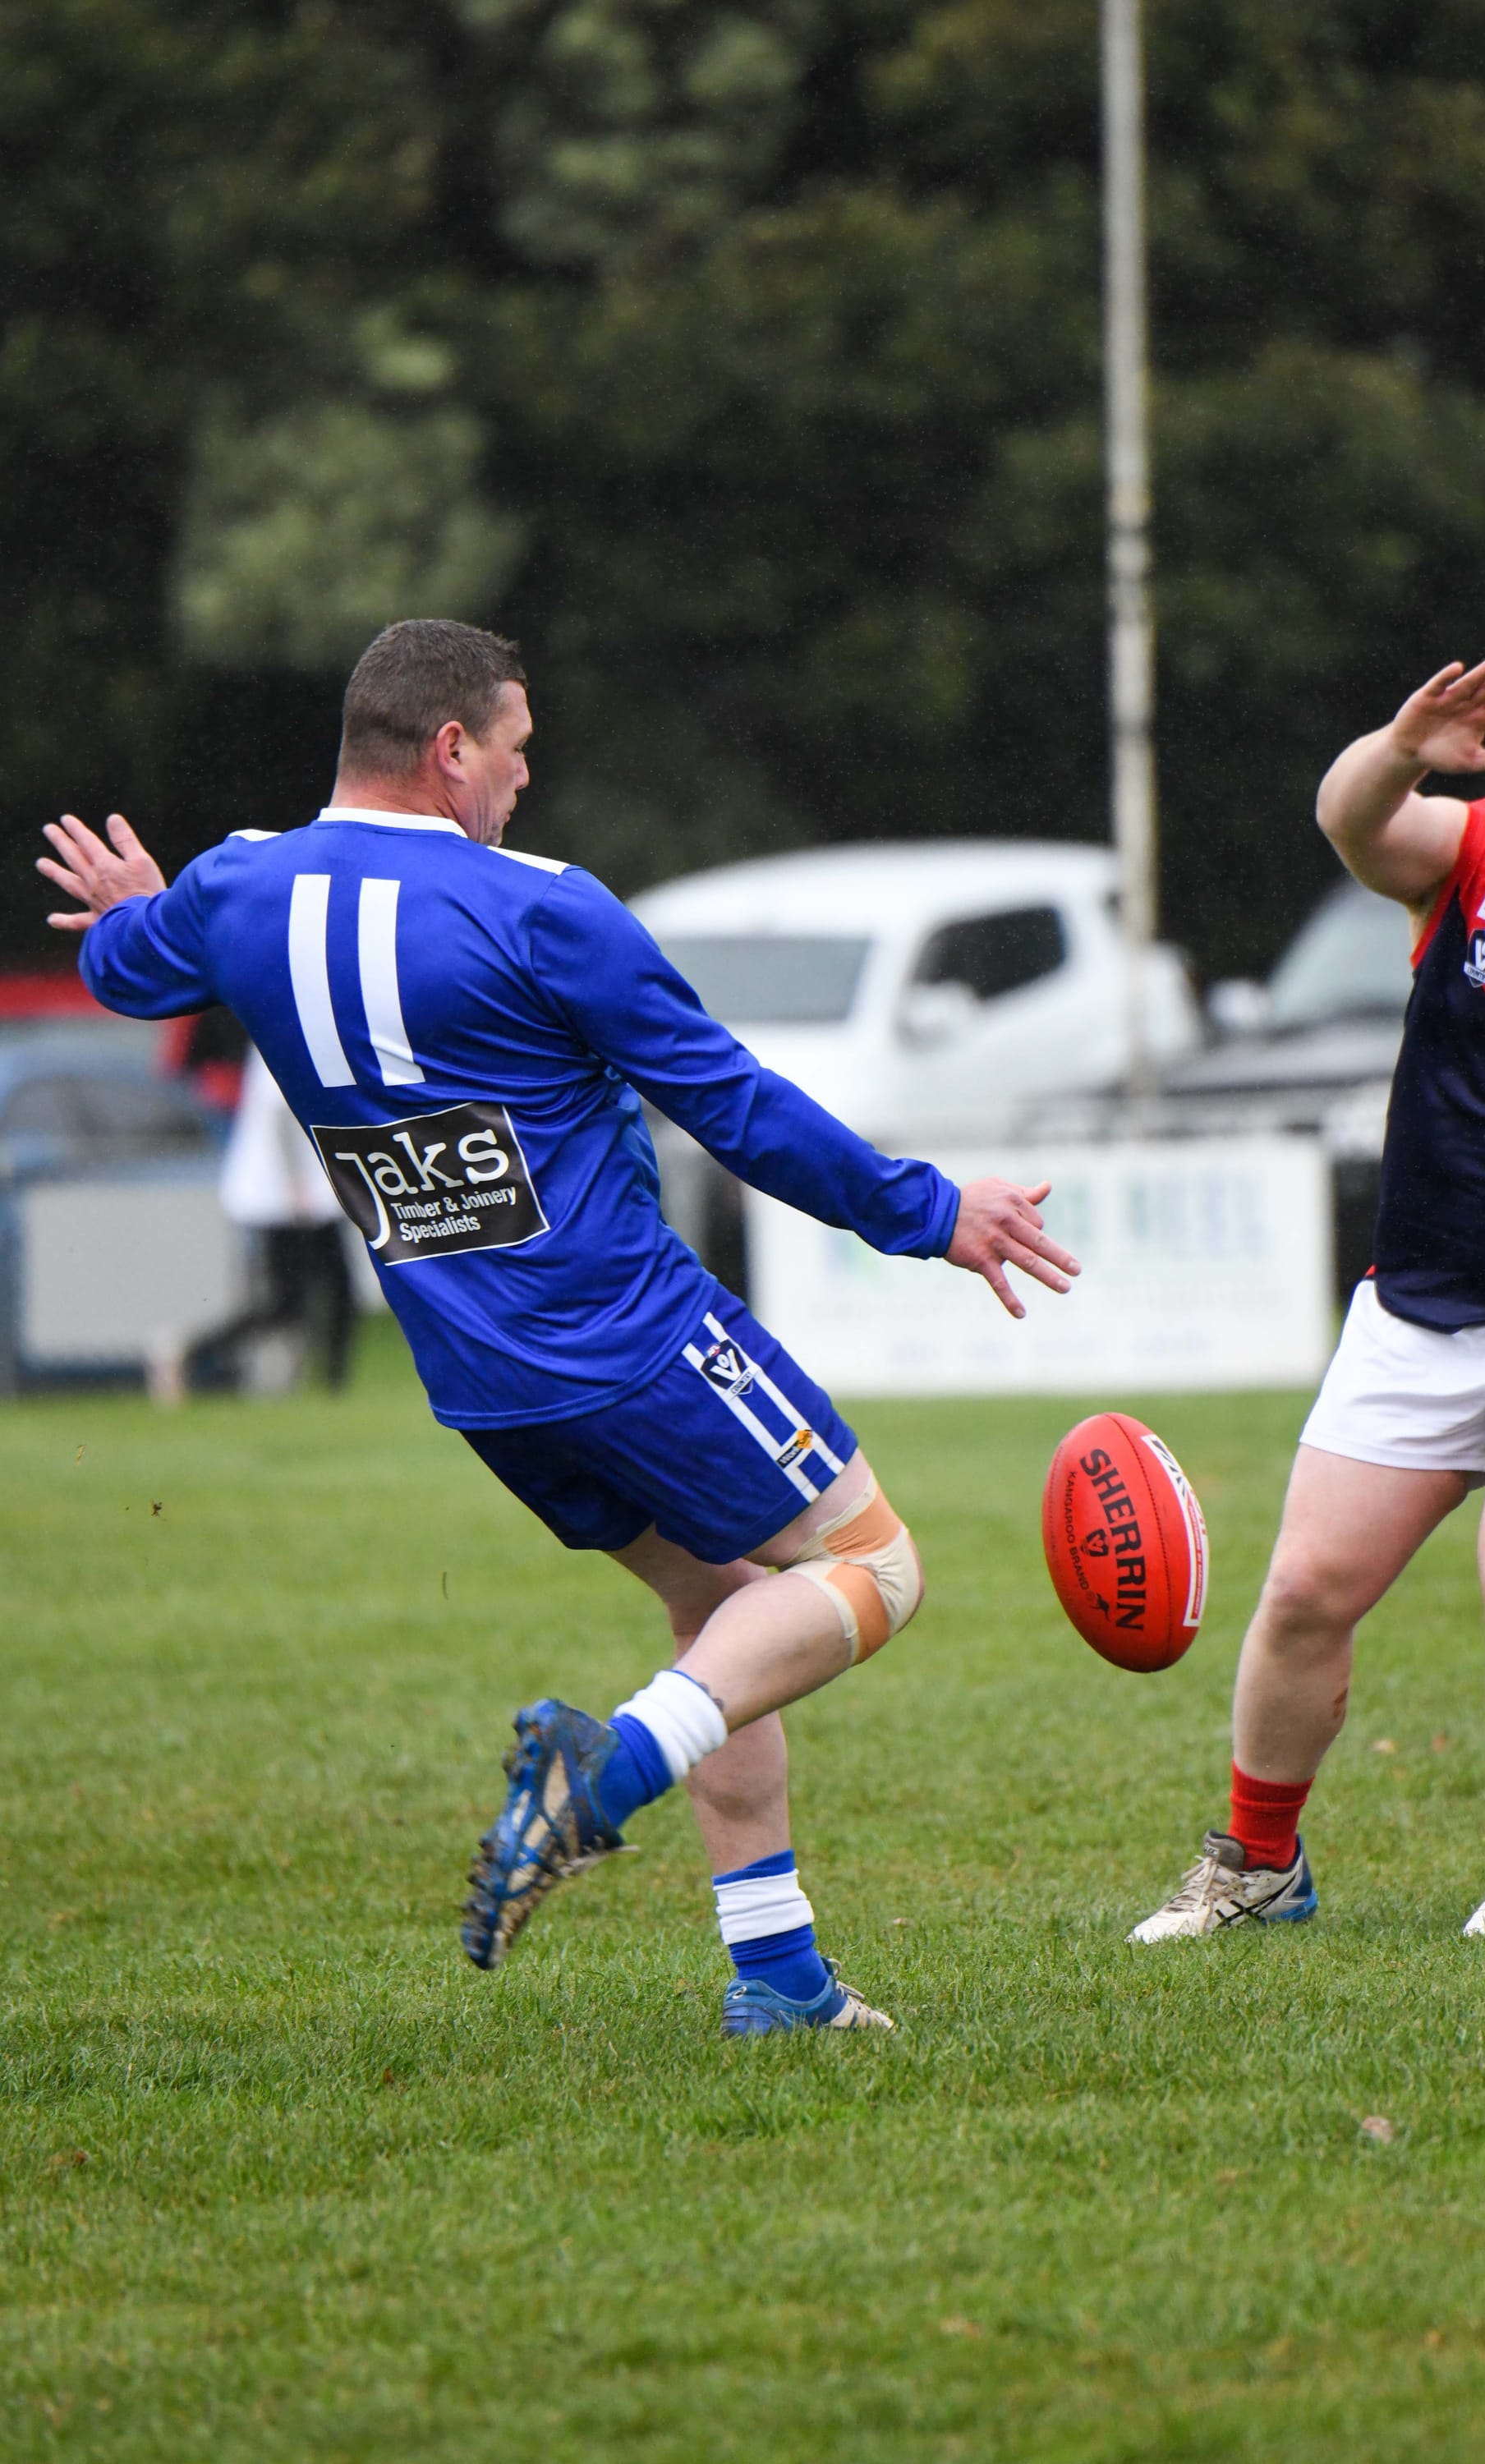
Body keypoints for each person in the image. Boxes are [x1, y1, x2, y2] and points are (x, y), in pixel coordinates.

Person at [40, 618, 1078, 2033]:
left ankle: (777, 1983)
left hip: (480, 1382)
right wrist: (929, 1212)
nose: (525, 780)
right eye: (516, 750)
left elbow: (121, 972)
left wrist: (130, 911)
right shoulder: (543, 907)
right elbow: (738, 1109)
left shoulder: (236, 891)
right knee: (869, 1571)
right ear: (451, 747)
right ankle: (604, 1778)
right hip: (628, 1334)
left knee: (726, 1612)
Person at [1130, 610, 1485, 1942]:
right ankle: (1255, 1865)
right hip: (1421, 1300)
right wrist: (1402, 748)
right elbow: (1353, 824)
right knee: (1304, 1594)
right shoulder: (1473, 845)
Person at [160, 1046, 358, 1401]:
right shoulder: (281, 1035)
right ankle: (186, 1351)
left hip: (304, 1193)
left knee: (321, 1294)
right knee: (295, 1300)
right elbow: (279, 1112)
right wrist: (296, 1183)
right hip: (288, 1197)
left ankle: (332, 1383)